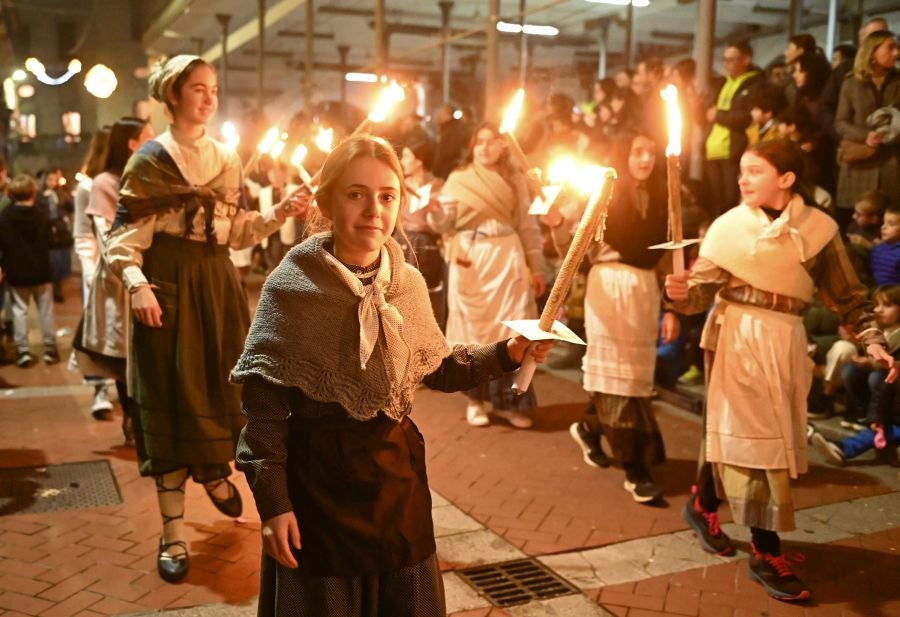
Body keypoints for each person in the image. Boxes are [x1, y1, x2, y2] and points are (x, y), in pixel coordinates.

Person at [232, 134, 552, 617]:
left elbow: (441, 366)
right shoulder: (290, 288)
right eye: (356, 194)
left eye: (387, 196)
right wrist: (274, 505)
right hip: (317, 495)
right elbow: (264, 414)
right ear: (326, 200)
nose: (373, 210)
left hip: (394, 486)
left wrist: (508, 352)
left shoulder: (407, 282)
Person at [665, 139, 897, 602]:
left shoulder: (818, 229)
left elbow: (847, 295)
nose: (742, 178)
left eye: (755, 171)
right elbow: (696, 298)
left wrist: (874, 339)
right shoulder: (727, 229)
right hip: (736, 336)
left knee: (750, 437)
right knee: (756, 445)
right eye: (741, 171)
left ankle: (703, 503)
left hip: (785, 339)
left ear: (786, 179)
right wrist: (678, 293)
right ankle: (764, 550)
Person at [103, 54, 304, 583]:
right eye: (198, 88)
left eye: (213, 88)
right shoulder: (147, 160)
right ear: (172, 96)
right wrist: (137, 284)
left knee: (222, 390)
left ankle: (214, 470)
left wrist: (278, 214)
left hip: (218, 287)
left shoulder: (225, 158)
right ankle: (172, 533)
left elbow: (236, 231)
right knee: (171, 395)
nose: (209, 97)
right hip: (167, 285)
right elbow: (122, 240)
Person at [547, 131, 677, 503]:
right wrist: (557, 222)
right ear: (624, 154)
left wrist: (670, 306)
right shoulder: (601, 193)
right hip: (608, 285)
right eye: (637, 151)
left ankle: (589, 427)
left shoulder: (664, 197)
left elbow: (668, 254)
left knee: (635, 374)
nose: (645, 159)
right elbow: (574, 244)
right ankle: (634, 467)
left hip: (644, 290)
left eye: (650, 152)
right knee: (614, 371)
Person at [438, 123, 548, 428]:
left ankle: (510, 403)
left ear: (503, 146)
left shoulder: (515, 180)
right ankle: (476, 400)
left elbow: (528, 225)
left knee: (512, 332)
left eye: (492, 142)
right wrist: (431, 210)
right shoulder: (459, 179)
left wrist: (537, 267)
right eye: (479, 142)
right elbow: (442, 222)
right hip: (471, 260)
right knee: (473, 332)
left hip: (507, 258)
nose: (485, 147)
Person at [78, 117, 154, 440]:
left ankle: (147, 417)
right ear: (131, 144)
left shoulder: (148, 176)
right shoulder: (105, 183)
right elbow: (106, 237)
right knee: (123, 352)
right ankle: (132, 418)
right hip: (119, 280)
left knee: (148, 351)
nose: (155, 144)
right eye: (147, 138)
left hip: (150, 275)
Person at [834, 30, 900, 228]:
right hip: (859, 166)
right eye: (890, 47)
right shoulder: (851, 83)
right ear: (872, 53)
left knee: (889, 226)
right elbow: (840, 122)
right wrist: (866, 136)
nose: (896, 52)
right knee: (853, 224)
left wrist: (891, 135)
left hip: (891, 165)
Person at [72, 127, 113, 417]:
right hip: (100, 269)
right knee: (99, 330)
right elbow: (83, 234)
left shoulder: (131, 180)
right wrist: (91, 271)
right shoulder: (87, 186)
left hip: (133, 268)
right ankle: (100, 388)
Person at [0, 174, 58, 367]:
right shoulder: (41, 214)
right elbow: (51, 240)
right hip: (41, 270)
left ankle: (23, 351)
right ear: (33, 192)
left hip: (17, 271)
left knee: (19, 311)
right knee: (45, 311)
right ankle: (50, 350)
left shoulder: (5, 217)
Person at [704, 41, 766, 216]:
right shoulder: (721, 83)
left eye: (731, 59)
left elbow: (747, 117)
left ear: (746, 59)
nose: (726, 64)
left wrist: (718, 115)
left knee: (731, 203)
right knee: (716, 203)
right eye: (724, 60)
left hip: (733, 151)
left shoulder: (755, 85)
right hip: (712, 149)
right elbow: (706, 112)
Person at [35, 168, 74, 303]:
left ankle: (57, 289)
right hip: (48, 234)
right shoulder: (40, 196)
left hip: (61, 234)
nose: (52, 182)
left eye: (54, 179)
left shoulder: (61, 194)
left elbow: (71, 206)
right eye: (50, 179)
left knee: (61, 264)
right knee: (52, 264)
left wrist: (64, 189)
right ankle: (50, 291)